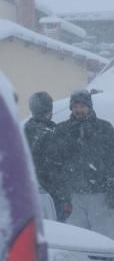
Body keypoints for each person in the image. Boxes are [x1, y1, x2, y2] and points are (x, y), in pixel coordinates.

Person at [52, 89, 114, 239]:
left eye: (82, 106)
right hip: (72, 195)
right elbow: (55, 162)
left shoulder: (104, 128)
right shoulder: (61, 130)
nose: (79, 110)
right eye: (75, 106)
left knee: (104, 239)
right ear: (71, 108)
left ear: (90, 107)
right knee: (77, 239)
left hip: (99, 193)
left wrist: (113, 181)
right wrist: (60, 190)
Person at [24, 91, 69, 221]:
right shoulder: (35, 132)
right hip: (44, 192)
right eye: (45, 111)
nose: (48, 114)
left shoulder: (51, 129)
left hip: (54, 192)